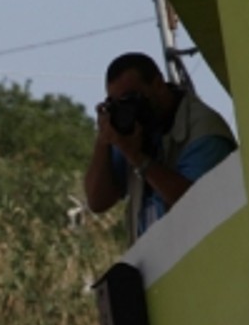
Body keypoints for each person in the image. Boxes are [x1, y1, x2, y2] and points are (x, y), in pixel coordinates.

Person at [84, 52, 237, 243]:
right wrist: (104, 137)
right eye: (116, 104)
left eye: (130, 99)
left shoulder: (202, 130)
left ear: (157, 85)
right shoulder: (133, 130)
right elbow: (97, 201)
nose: (128, 110)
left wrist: (139, 159)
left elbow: (197, 205)